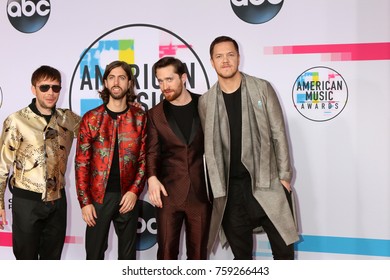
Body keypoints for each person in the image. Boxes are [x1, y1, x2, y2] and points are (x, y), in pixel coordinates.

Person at [198, 36, 299, 260]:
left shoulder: (262, 88)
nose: (225, 61)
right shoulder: (206, 102)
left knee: (284, 254)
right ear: (212, 62)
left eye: (230, 55)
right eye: (219, 56)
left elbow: (278, 133)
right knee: (242, 259)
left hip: (268, 183)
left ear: (238, 58)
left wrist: (284, 177)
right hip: (230, 192)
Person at [0, 65, 81, 260]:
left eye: (56, 88)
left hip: (58, 202)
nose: (51, 93)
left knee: (51, 262)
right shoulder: (17, 120)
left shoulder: (68, 119)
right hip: (27, 202)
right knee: (25, 261)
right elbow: (3, 165)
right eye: (44, 87)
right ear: (33, 89)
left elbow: (97, 130)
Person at [75, 60, 147, 260]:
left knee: (128, 258)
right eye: (112, 77)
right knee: (95, 255)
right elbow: (81, 163)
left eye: (122, 78)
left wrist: (134, 191)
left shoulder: (140, 117)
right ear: (105, 83)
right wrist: (85, 201)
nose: (117, 82)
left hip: (127, 198)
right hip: (98, 198)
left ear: (129, 83)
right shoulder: (91, 118)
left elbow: (143, 159)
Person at [146, 56, 211, 259]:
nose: (165, 86)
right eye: (160, 81)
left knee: (198, 256)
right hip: (168, 194)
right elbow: (152, 151)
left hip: (201, 194)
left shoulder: (205, 104)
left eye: (169, 79)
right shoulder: (154, 114)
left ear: (183, 78)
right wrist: (152, 177)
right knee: (165, 255)